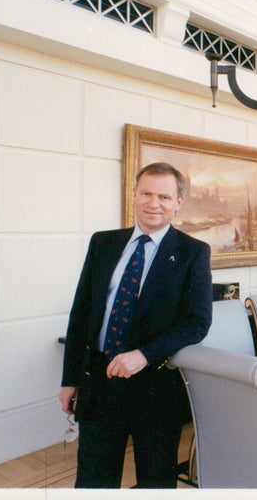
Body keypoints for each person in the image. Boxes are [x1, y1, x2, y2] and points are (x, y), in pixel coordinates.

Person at [58, 162, 213, 488]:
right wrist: (70, 379)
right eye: (146, 193)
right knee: (92, 480)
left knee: (155, 482)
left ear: (178, 202)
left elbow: (197, 323)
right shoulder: (103, 243)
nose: (153, 203)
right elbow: (80, 315)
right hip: (98, 383)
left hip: (155, 390)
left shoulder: (192, 253)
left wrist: (143, 354)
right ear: (134, 194)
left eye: (164, 196)